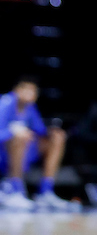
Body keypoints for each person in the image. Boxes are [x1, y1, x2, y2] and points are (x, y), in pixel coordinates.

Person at [0, 77, 71, 210]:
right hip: (4, 154)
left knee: (57, 137)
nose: (31, 94)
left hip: (26, 151)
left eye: (33, 91)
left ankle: (46, 191)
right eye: (27, 90)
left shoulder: (30, 107)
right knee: (19, 137)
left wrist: (52, 132)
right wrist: (14, 132)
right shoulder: (5, 103)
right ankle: (15, 190)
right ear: (17, 90)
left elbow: (40, 131)